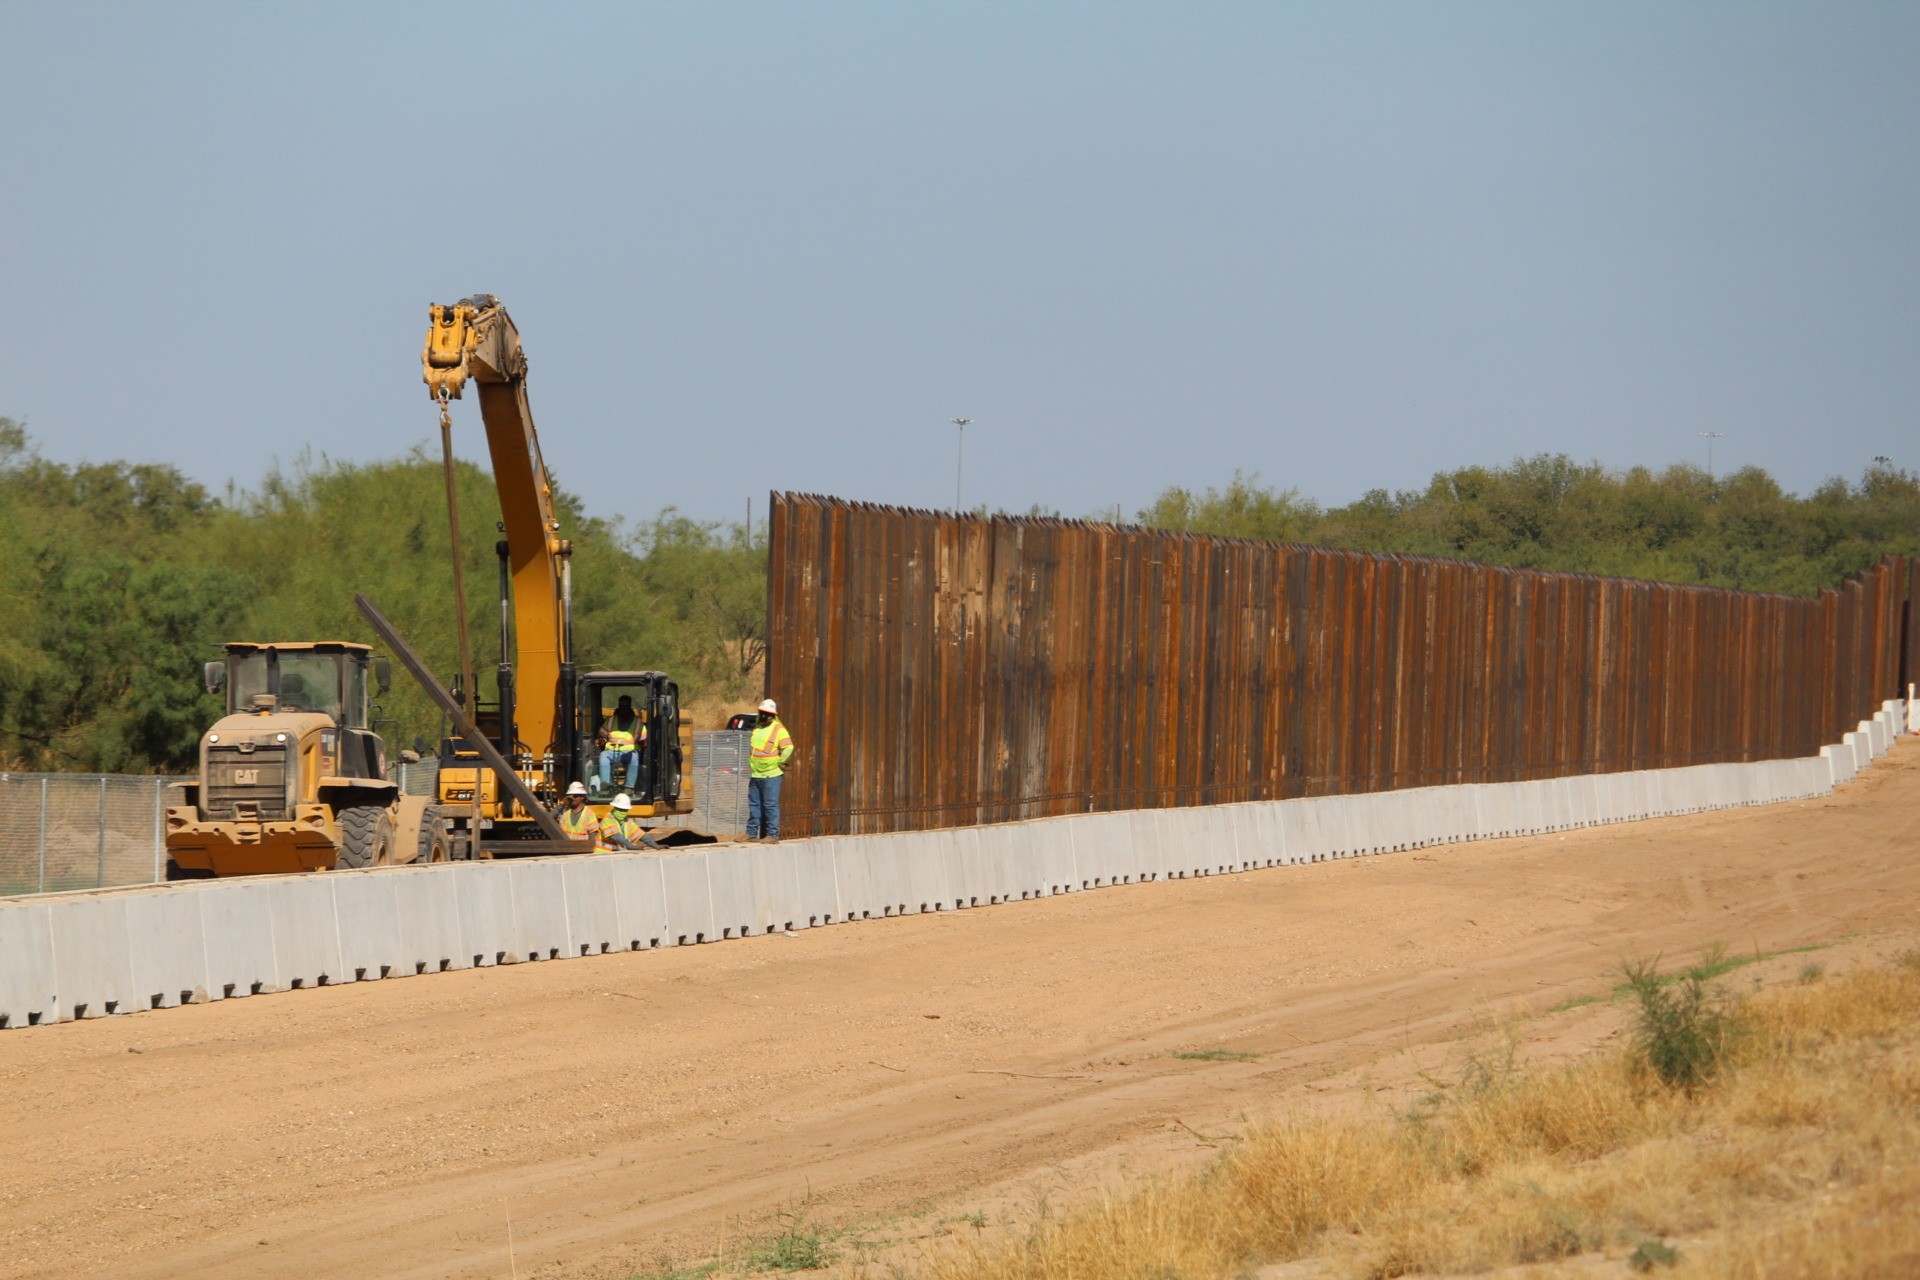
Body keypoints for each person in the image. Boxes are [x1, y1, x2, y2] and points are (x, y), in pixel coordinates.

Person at [746, 697, 794, 842]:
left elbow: (789, 747)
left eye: (767, 713)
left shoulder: (779, 730)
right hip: (756, 773)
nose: (764, 716)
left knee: (770, 805)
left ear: (773, 715)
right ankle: (751, 833)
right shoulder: (758, 728)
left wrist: (781, 762)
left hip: (771, 774)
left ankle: (772, 835)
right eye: (762, 713)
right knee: (754, 804)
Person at [597, 695, 647, 791]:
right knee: (603, 756)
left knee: (634, 757)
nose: (623, 708)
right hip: (611, 751)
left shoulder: (638, 723)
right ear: (618, 706)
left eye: (626, 705)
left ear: (630, 707)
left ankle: (629, 787)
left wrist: (641, 744)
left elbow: (644, 740)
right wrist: (601, 741)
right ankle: (605, 785)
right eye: (621, 705)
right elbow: (602, 736)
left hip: (629, 752)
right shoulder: (610, 721)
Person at [557, 779, 600, 845]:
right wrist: (562, 804)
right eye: (570, 796)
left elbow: (593, 835)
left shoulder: (589, 813)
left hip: (582, 850)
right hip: (566, 849)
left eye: (575, 796)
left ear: (582, 797)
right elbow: (548, 819)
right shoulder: (565, 812)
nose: (573, 798)